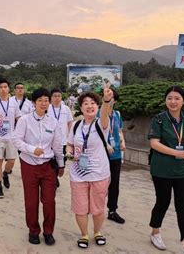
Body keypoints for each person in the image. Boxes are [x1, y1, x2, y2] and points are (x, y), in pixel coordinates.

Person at [148, 86, 184, 254]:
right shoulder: (158, 120)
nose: (173, 101)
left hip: (183, 171)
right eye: (169, 98)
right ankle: (155, 232)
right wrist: (177, 152)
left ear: (183, 101)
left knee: (183, 207)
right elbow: (154, 143)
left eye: (177, 98)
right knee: (162, 202)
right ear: (165, 101)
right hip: (162, 170)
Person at [12, 88, 64, 246]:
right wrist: (32, 149)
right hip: (29, 164)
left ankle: (48, 231)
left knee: (49, 200)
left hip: (48, 165)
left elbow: (57, 145)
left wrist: (61, 165)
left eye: (46, 100)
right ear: (33, 103)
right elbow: (16, 140)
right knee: (31, 201)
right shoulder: (24, 120)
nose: (44, 103)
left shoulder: (53, 122)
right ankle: (33, 231)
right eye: (40, 100)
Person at [65, 85, 113, 249]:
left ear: (97, 106)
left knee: (98, 208)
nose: (89, 105)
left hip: (99, 174)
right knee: (80, 208)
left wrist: (107, 100)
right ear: (81, 107)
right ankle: (84, 235)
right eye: (85, 103)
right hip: (78, 175)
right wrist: (70, 154)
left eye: (93, 102)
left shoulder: (102, 124)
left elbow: (106, 112)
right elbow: (69, 144)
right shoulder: (76, 126)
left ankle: (97, 232)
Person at [0, 78, 21, 198]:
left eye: (5, 87)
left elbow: (19, 119)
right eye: (0, 87)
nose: (3, 89)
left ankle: (5, 173)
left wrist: (20, 135)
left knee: (11, 161)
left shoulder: (14, 103)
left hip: (11, 136)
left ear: (8, 89)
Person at [105, 89, 127, 224]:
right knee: (99, 183)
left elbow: (119, 131)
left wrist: (123, 141)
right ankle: (94, 209)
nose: (108, 99)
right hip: (102, 154)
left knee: (114, 184)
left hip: (116, 154)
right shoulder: (98, 114)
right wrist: (106, 144)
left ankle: (112, 211)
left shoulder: (117, 114)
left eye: (111, 97)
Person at [47, 88, 73, 187]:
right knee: (52, 161)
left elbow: (70, 122)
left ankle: (56, 176)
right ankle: (54, 178)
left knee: (62, 160)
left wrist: (71, 136)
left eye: (59, 96)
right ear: (51, 97)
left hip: (64, 141)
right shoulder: (47, 108)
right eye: (54, 96)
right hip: (50, 141)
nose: (57, 98)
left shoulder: (66, 109)